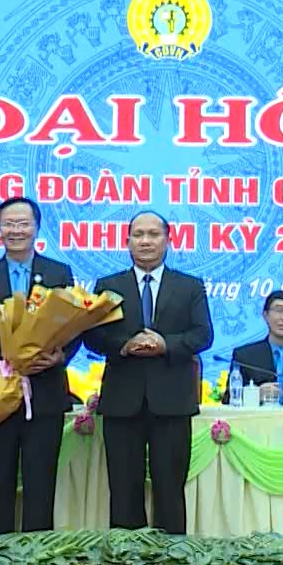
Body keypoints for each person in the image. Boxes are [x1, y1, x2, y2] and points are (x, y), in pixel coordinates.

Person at [83, 211, 213, 534]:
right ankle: (126, 557)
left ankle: (172, 556)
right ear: (127, 241)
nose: (145, 241)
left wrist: (166, 344)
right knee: (123, 489)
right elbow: (93, 336)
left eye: (153, 234)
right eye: (138, 234)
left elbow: (203, 335)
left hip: (172, 403)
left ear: (168, 240)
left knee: (170, 488)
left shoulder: (189, 286)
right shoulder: (108, 286)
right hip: (122, 402)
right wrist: (125, 345)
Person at [0, 196, 74, 533]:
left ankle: (38, 553)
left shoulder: (58, 273)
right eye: (9, 224)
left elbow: (75, 324)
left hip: (45, 394)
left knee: (41, 482)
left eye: (23, 223)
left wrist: (60, 355)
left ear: (37, 227)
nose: (16, 230)